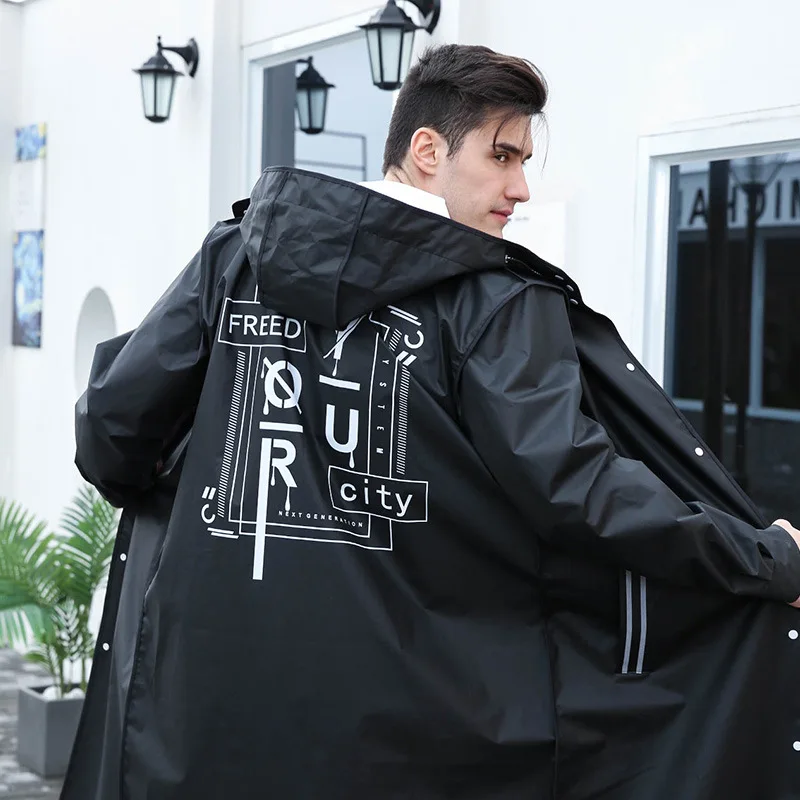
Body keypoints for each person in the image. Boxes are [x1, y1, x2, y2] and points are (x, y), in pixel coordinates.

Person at [71, 44, 800, 800]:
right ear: (427, 151)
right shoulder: (493, 306)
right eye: (502, 156)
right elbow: (581, 491)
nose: (520, 187)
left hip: (206, 721)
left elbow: (111, 435)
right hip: (418, 739)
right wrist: (763, 557)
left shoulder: (235, 263)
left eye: (523, 161)